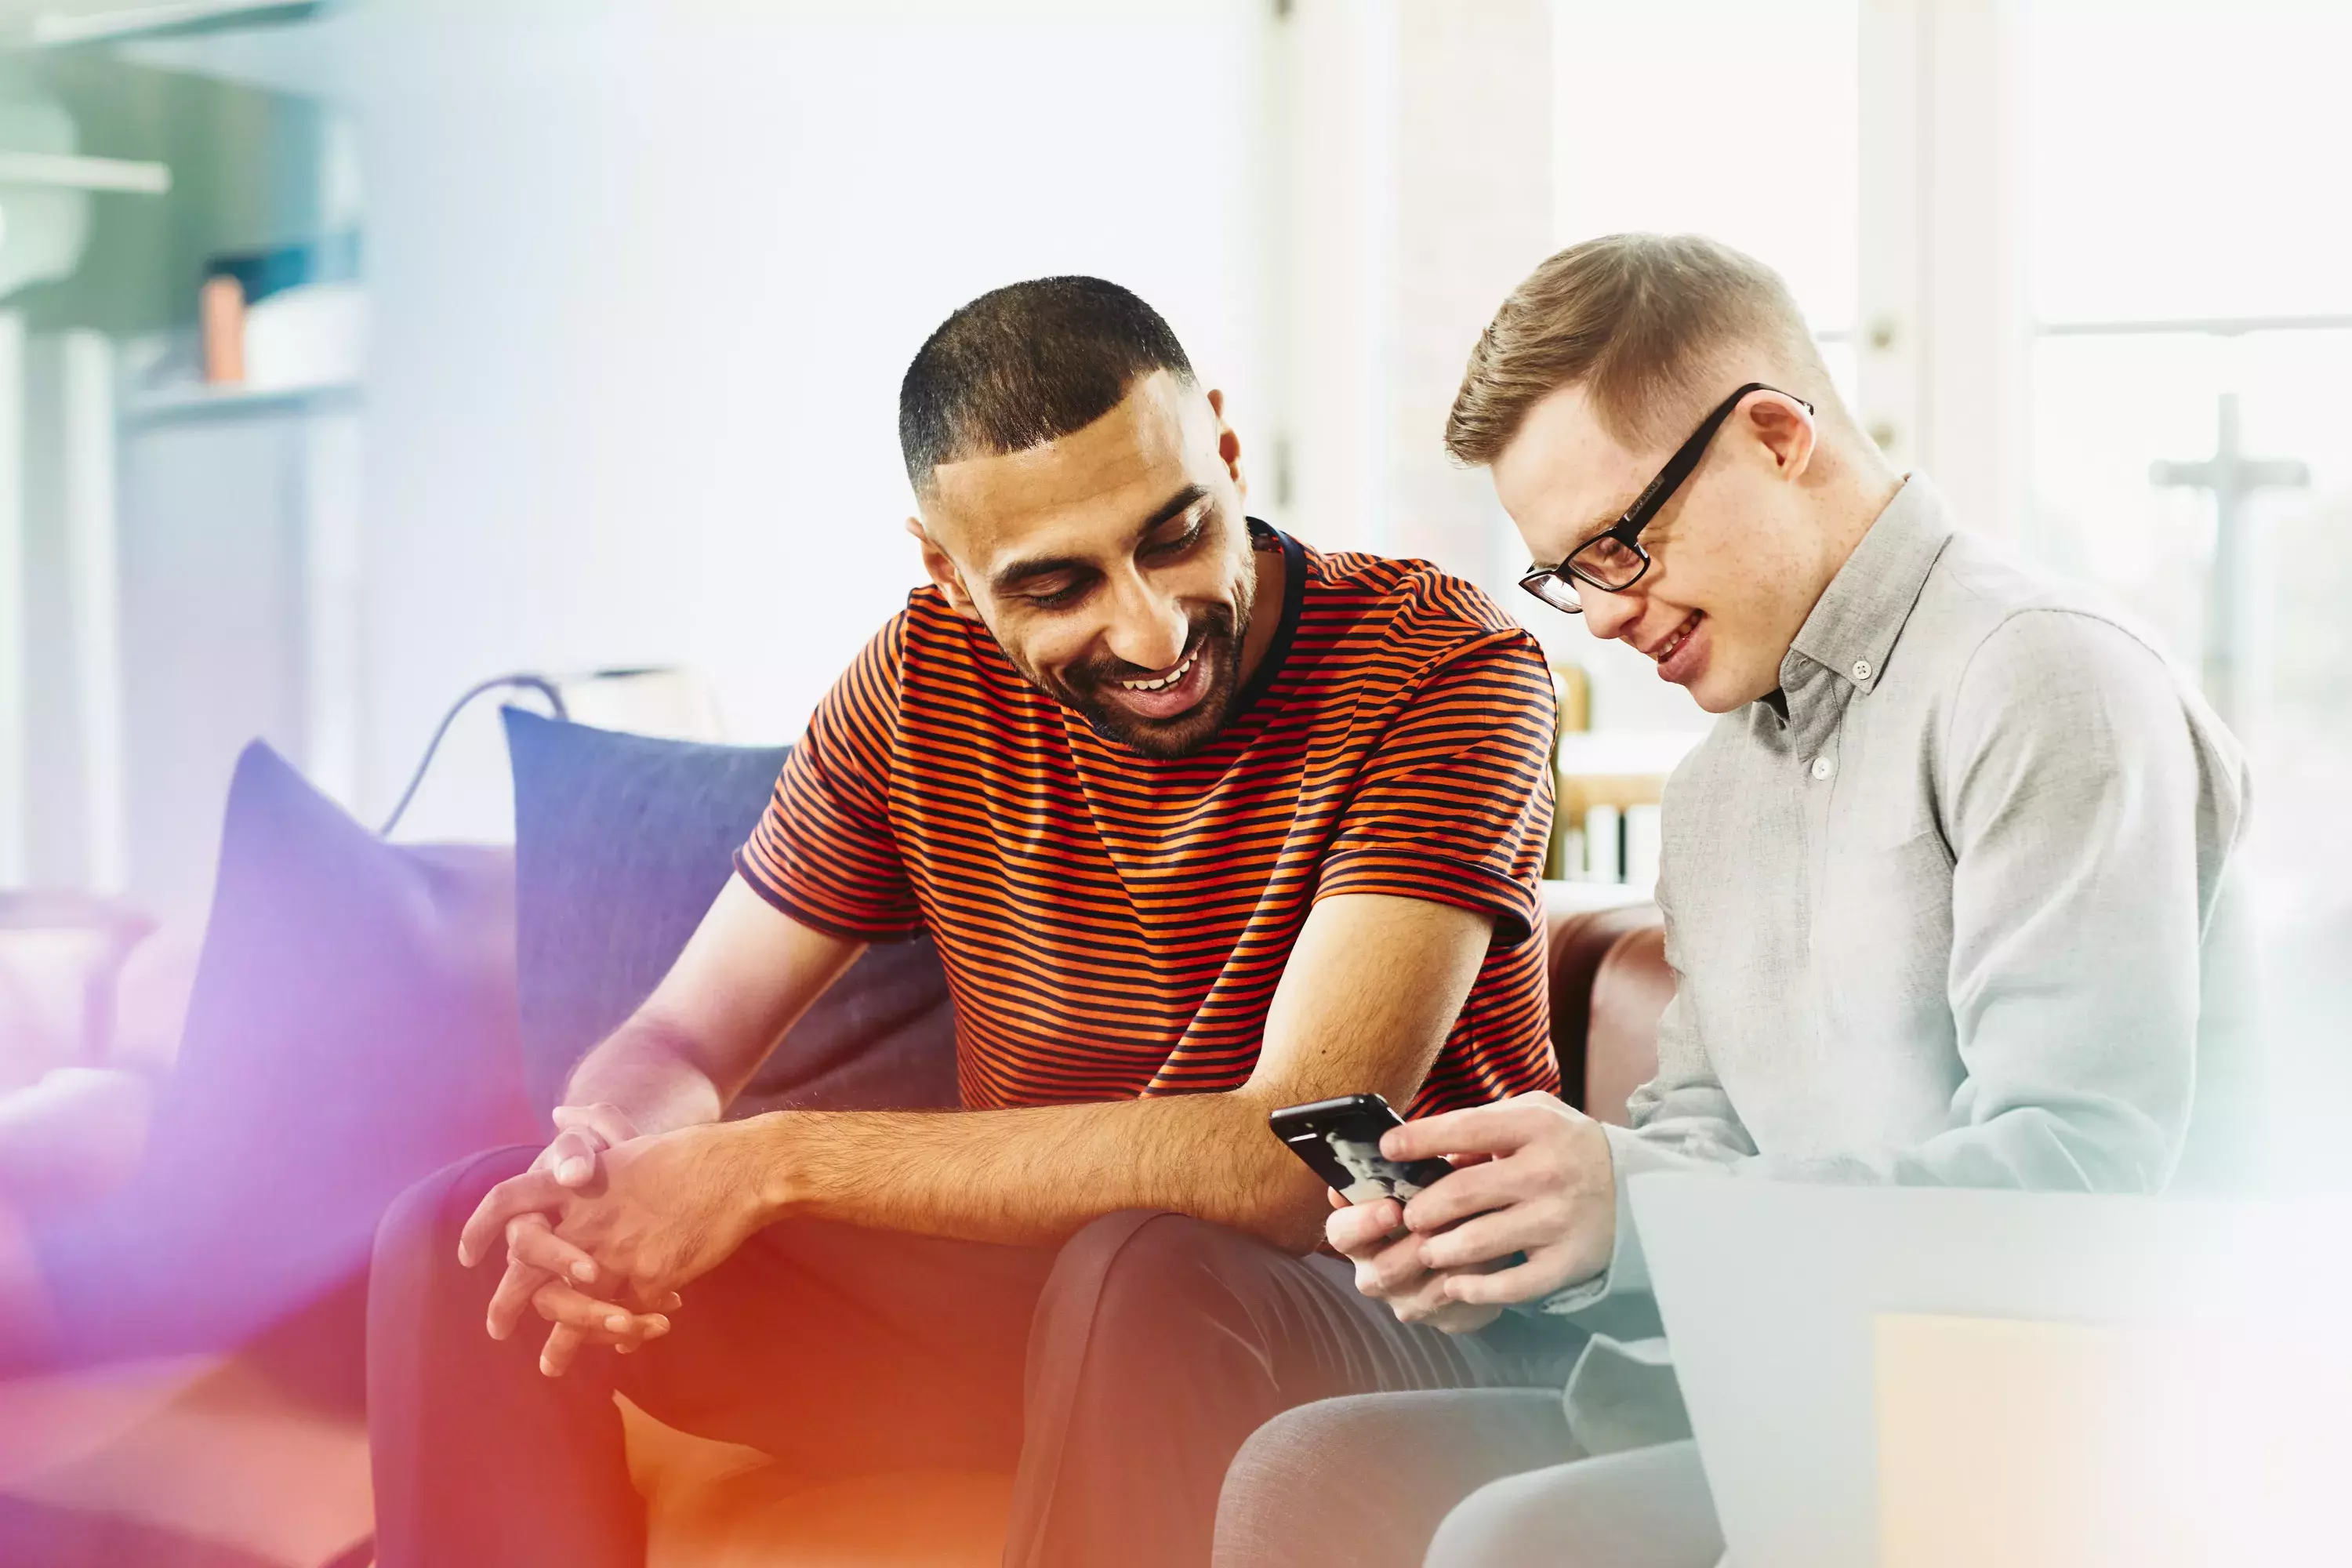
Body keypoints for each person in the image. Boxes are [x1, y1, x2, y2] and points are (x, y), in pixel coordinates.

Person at [365, 276, 1584, 1568]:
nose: (1153, 626)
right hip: (1040, 1304)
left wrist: (772, 1163)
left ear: (1225, 452)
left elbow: (1284, 1165)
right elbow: (680, 1034)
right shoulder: (915, 687)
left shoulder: (1444, 670)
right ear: (946, 570)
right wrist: (599, 1158)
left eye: (1176, 535)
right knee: (476, 1233)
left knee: (1142, 1270)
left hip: (1393, 1311)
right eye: (1057, 588)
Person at [1213, 233, 2249, 1568]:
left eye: (1617, 546)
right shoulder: (1715, 794)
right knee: (1305, 1472)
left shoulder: (2040, 678)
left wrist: (1636, 1206)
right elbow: (1697, 1149)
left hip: (2022, 1444)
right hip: (1767, 1414)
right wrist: (1532, 1238)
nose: (1598, 615)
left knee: (1505, 1543)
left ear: (1773, 435)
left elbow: (2070, 1186)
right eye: (1563, 575)